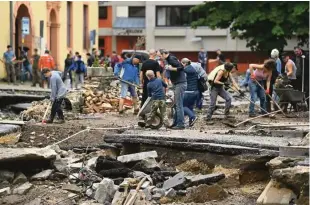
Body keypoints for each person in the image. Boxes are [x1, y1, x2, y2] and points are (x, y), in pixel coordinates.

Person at [160, 49, 187, 129]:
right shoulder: (168, 59)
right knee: (175, 105)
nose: (161, 57)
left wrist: (171, 69)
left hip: (180, 83)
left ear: (165, 54)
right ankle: (176, 123)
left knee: (179, 105)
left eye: (161, 55)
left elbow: (181, 67)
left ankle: (181, 124)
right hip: (177, 83)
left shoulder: (171, 58)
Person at [181, 58, 199, 127]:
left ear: (184, 63)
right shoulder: (192, 68)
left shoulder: (186, 69)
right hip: (195, 91)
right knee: (190, 107)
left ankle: (193, 117)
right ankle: (191, 122)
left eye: (181, 64)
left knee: (183, 106)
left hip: (189, 91)